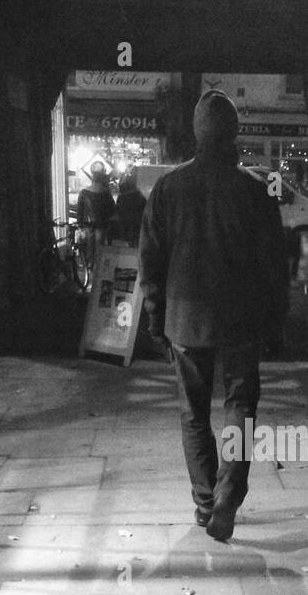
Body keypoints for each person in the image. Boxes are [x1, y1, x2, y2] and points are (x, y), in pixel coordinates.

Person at [138, 90, 288, 541]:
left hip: (185, 318)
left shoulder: (168, 188)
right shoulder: (256, 190)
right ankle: (228, 494)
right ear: (235, 133)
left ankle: (206, 503)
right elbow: (273, 265)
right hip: (241, 317)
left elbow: (151, 259)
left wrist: (154, 313)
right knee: (240, 405)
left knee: (193, 412)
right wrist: (276, 320)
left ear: (196, 133)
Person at [76, 161, 119, 272]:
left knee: (89, 246)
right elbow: (111, 209)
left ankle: (89, 266)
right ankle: (97, 266)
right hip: (101, 223)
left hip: (87, 224)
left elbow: (79, 210)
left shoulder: (84, 192)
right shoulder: (105, 192)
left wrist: (79, 224)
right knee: (99, 246)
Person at [115, 172, 146, 247]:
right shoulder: (138, 195)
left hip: (125, 220)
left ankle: (130, 245)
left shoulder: (122, 196)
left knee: (129, 237)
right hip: (136, 219)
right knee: (135, 236)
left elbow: (118, 208)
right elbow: (144, 206)